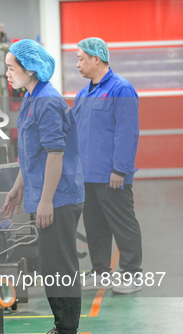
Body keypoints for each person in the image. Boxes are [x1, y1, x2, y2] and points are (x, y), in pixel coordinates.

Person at [2, 39, 85, 334]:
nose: (8, 74)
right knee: (53, 266)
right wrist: (18, 186)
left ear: (29, 69)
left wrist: (47, 200)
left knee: (61, 267)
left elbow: (54, 155)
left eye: (11, 68)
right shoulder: (31, 98)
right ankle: (63, 328)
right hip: (45, 194)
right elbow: (32, 154)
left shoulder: (47, 102)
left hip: (59, 197)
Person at [74, 37, 143, 295]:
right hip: (88, 175)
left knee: (122, 223)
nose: (78, 64)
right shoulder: (83, 93)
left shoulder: (121, 89)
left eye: (81, 59)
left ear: (97, 59)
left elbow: (127, 132)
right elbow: (76, 132)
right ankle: (101, 272)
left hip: (111, 174)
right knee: (94, 225)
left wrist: (121, 169)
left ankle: (132, 273)